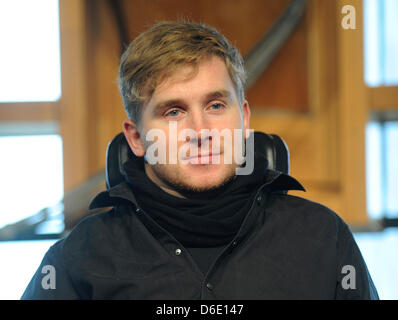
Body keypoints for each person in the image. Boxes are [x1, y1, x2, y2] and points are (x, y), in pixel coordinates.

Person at [21, 21, 378, 300]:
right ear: (136, 138)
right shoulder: (78, 259)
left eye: (216, 105)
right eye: (174, 111)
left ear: (245, 119)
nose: (201, 130)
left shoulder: (323, 239)